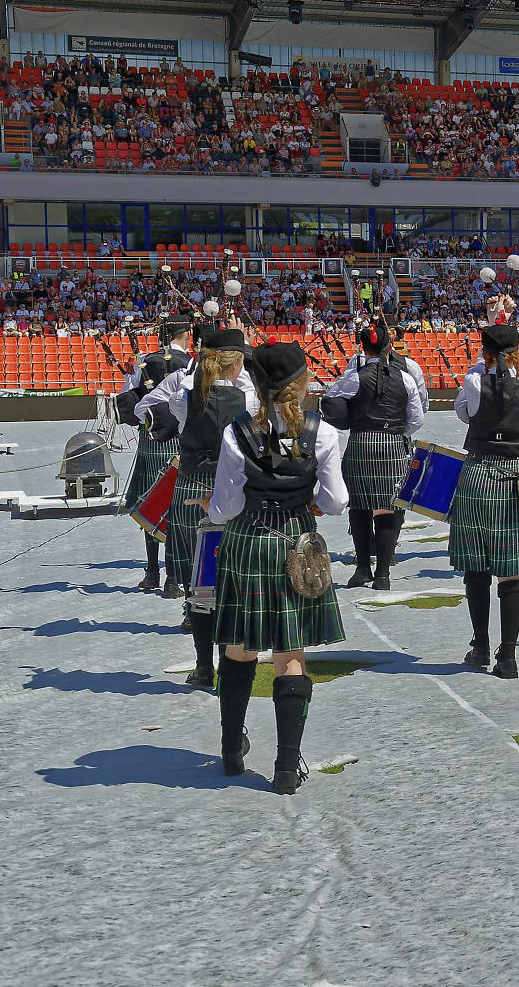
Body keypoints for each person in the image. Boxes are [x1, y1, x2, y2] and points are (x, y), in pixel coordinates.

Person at [206, 341, 347, 795]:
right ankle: (286, 768)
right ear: (303, 383)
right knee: (290, 655)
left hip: (248, 543)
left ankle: (231, 748)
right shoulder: (321, 433)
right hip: (297, 544)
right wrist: (309, 500)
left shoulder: (235, 432)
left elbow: (224, 509)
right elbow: (336, 502)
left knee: (240, 645)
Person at [135, 327, 257, 689]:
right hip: (232, 487)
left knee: (197, 584)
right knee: (231, 578)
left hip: (190, 488)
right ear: (235, 364)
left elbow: (151, 409)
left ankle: (204, 668)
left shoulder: (182, 397)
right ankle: (231, 663)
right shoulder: (247, 399)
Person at [451, 323, 519, 678]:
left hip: (480, 473)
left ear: (485, 352)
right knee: (511, 569)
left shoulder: (474, 381)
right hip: (516, 474)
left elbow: (465, 413)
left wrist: (485, 362)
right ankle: (508, 656)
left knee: (477, 565)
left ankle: (479, 645)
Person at [321, 318, 424, 591]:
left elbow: (328, 401)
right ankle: (383, 575)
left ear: (362, 348)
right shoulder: (406, 378)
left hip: (361, 442)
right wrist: (395, 432)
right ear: (390, 347)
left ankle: (362, 569)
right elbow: (416, 420)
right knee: (387, 506)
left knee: (359, 506)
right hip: (392, 443)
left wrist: (349, 421)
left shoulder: (353, 377)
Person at [119, 315, 193, 594]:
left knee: (147, 500)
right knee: (175, 507)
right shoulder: (191, 366)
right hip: (181, 442)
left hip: (150, 442)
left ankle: (152, 574)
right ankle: (173, 579)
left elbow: (128, 405)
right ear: (186, 335)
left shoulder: (144, 362)